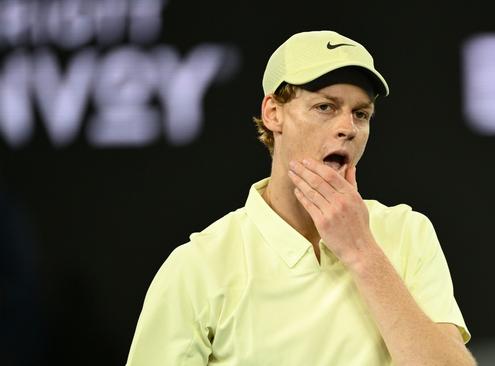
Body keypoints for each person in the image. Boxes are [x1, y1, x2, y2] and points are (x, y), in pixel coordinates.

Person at [126, 30, 475, 365]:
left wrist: (361, 251)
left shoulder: (407, 232)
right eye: (325, 107)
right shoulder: (198, 266)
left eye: (361, 113)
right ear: (273, 113)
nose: (348, 128)